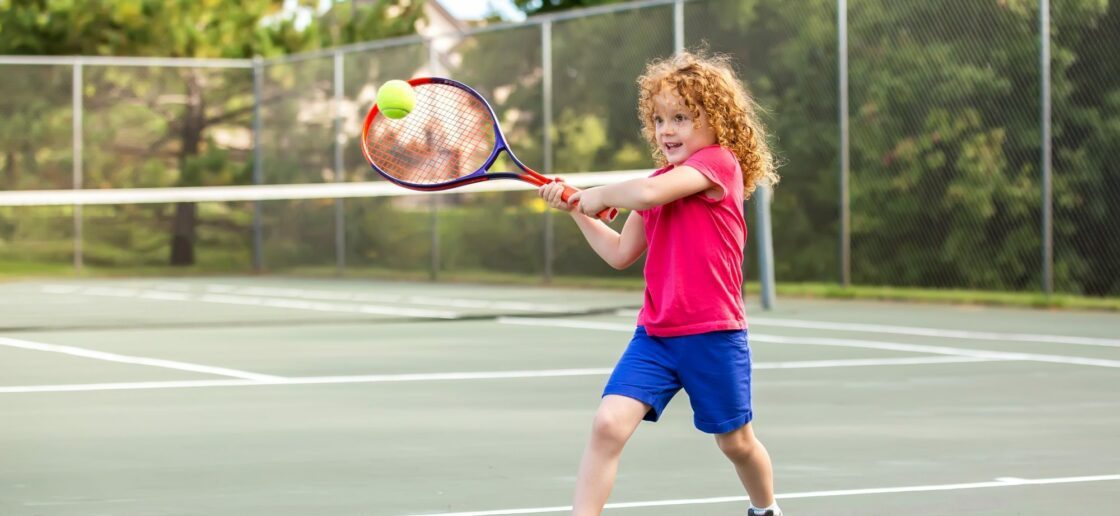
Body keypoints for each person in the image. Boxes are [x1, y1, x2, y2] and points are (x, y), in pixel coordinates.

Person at [538, 50, 782, 516]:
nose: (666, 130)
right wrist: (577, 210)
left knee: (735, 442)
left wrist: (599, 195)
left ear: (718, 122)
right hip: (655, 336)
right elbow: (619, 253)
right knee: (608, 424)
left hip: (713, 335)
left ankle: (766, 508)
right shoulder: (656, 184)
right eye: (658, 119)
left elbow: (646, 193)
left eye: (681, 118)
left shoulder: (720, 165)